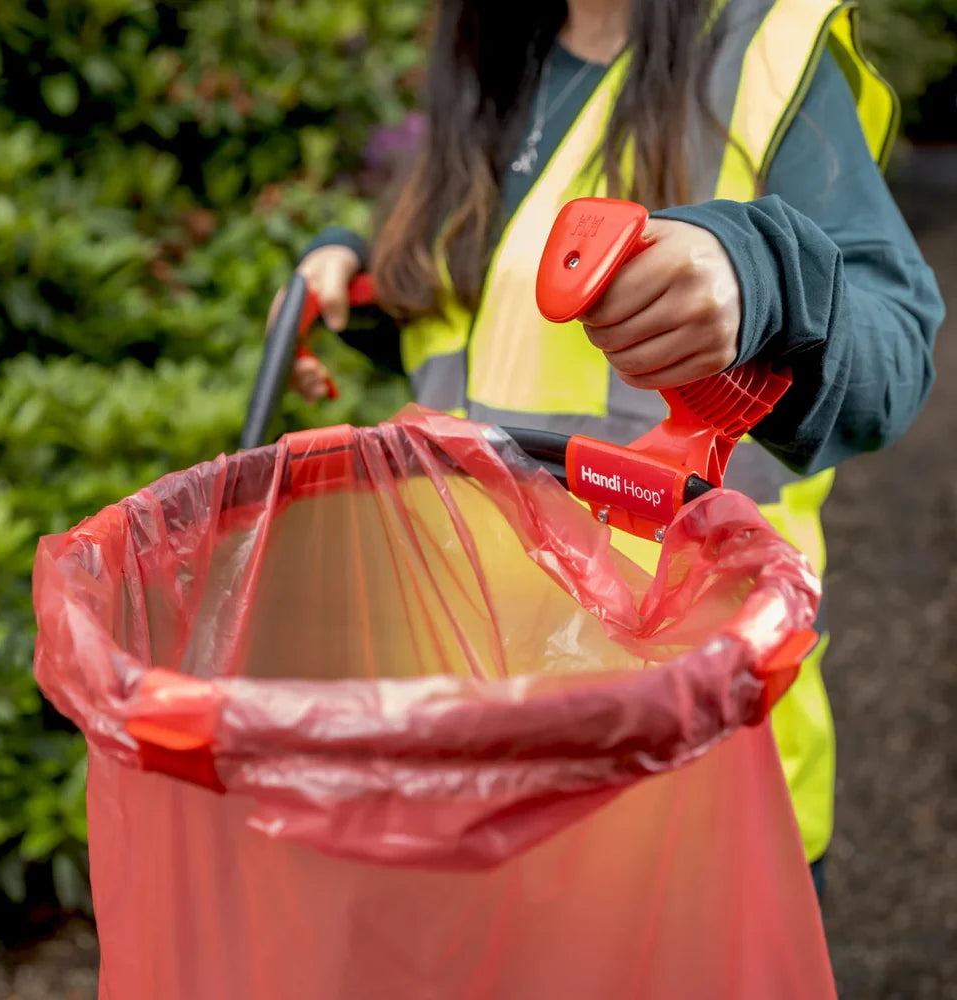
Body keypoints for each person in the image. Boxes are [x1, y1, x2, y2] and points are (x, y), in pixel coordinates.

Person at [271, 0, 945, 895]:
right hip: (472, 728)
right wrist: (352, 269)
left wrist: (757, 278)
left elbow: (895, 358)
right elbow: (474, 327)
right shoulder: (494, 62)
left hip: (684, 751)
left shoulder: (764, 54)